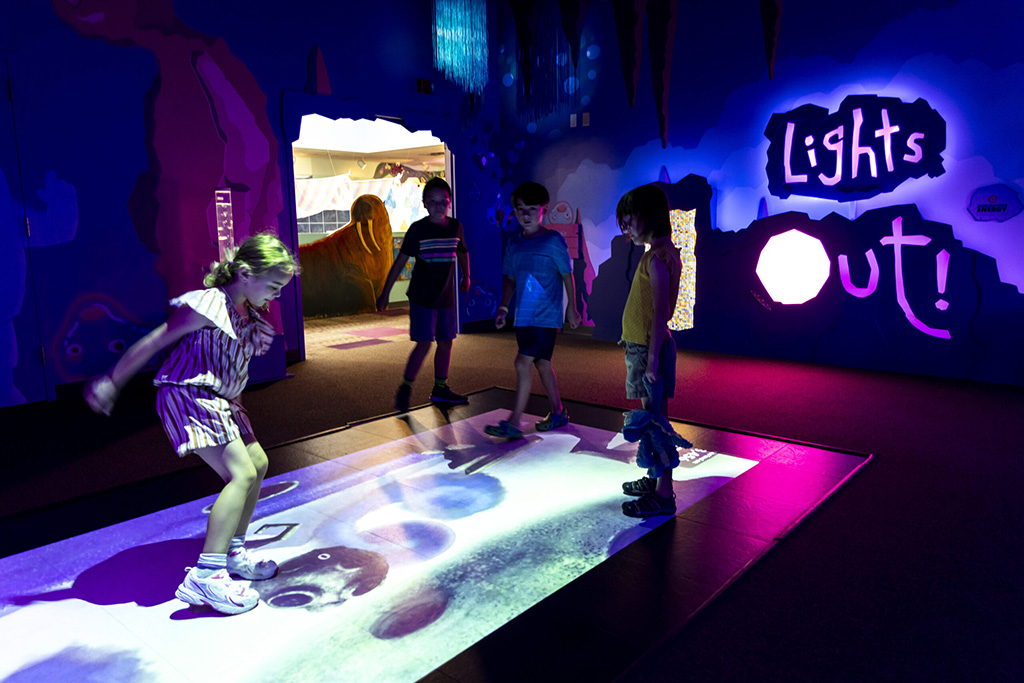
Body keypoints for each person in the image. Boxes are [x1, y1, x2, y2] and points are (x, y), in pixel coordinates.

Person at [84, 232, 299, 614]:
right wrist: (112, 381)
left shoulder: (247, 314)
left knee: (258, 463)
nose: (277, 295)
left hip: (221, 400)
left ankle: (233, 552)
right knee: (241, 474)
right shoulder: (208, 306)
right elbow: (155, 342)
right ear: (246, 274)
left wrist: (236, 415)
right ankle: (206, 576)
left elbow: (232, 369)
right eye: (273, 286)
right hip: (189, 394)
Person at [485, 182, 580, 439]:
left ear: (543, 210)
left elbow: (567, 275)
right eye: (520, 209)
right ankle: (558, 412)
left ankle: (514, 421)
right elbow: (510, 279)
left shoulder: (553, 240)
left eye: (532, 209)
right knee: (542, 364)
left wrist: (572, 308)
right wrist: (503, 307)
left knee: (522, 362)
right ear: (514, 211)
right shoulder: (514, 243)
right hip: (523, 317)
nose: (525, 215)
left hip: (545, 317)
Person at [616, 185, 689, 517]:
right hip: (646, 348)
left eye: (630, 221)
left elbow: (661, 312)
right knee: (653, 420)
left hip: (647, 350)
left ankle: (663, 493)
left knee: (656, 423)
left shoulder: (657, 260)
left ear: (649, 217)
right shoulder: (660, 254)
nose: (627, 229)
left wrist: (652, 360)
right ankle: (654, 479)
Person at [376, 177, 471, 412]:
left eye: (443, 201)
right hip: (422, 298)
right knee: (424, 343)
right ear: (425, 204)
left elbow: (462, 251)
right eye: (433, 201)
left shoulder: (455, 227)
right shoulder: (418, 230)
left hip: (446, 297)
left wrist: (466, 276)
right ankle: (406, 387)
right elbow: (400, 262)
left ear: (449, 203)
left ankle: (440, 388)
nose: (438, 206)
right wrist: (385, 292)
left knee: (446, 342)